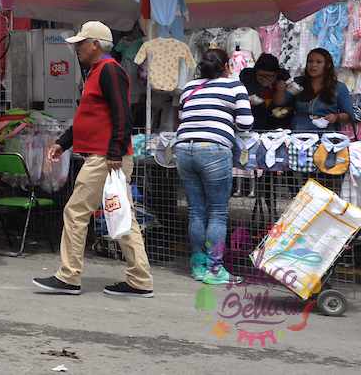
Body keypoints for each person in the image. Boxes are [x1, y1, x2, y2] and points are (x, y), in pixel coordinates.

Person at [33, 22, 153, 298]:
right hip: (107, 155)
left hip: (105, 157)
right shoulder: (101, 71)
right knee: (122, 216)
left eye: (81, 43)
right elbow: (91, 118)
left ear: (95, 44)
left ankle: (69, 276)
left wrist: (113, 151)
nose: (76, 48)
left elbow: (122, 113)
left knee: (76, 212)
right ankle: (139, 278)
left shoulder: (108, 70)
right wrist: (63, 143)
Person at [173, 48, 253, 284]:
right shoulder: (234, 86)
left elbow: (182, 116)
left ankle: (198, 267)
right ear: (227, 65)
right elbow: (246, 123)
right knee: (217, 213)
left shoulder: (189, 87)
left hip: (184, 149)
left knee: (196, 211)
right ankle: (215, 270)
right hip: (214, 150)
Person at [290, 47, 356, 131]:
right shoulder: (298, 83)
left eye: (319, 62)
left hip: (327, 137)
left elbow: (349, 116)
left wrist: (336, 117)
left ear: (327, 65)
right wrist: (280, 88)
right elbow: (281, 102)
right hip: (299, 136)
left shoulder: (339, 87)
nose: (313, 65)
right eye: (310, 61)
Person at [238, 53, 292, 130]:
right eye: (261, 75)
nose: (265, 79)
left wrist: (280, 90)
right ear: (255, 72)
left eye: (269, 76)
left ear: (276, 74)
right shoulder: (248, 79)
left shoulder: (283, 80)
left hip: (278, 126)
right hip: (253, 124)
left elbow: (283, 107)